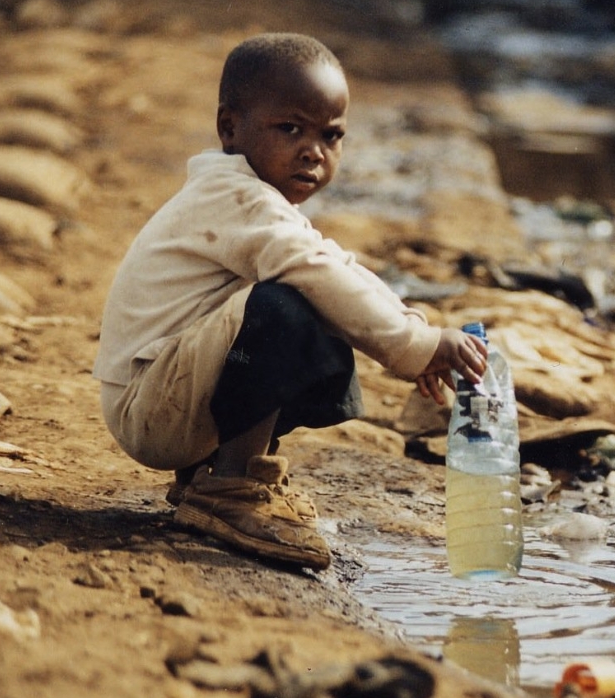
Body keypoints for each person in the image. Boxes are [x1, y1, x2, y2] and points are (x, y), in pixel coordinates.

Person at [92, 32, 487, 571]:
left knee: (317, 306)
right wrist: (415, 346)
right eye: (290, 129)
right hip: (151, 408)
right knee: (287, 307)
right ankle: (231, 488)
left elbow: (335, 266)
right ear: (229, 127)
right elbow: (320, 272)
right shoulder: (234, 199)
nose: (314, 151)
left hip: (169, 397)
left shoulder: (256, 201)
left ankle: (212, 474)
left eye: (331, 135)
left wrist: (415, 329)